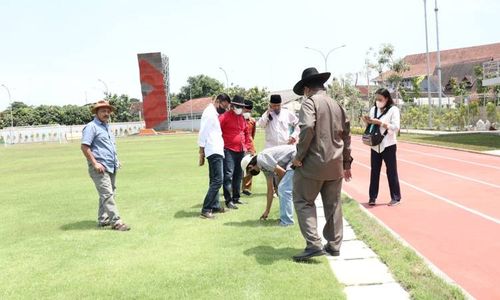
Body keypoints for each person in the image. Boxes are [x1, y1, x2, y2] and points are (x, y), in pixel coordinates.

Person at [291, 67, 353, 261]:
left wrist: (299, 156)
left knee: (303, 200)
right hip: (335, 164)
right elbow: (347, 135)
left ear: (307, 88)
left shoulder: (309, 103)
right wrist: (347, 162)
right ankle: (334, 245)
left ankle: (313, 244)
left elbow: (308, 127)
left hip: (312, 163)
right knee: (333, 205)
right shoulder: (337, 105)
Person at [81, 100, 130, 231]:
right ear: (96, 112)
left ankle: (103, 219)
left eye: (108, 111)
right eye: (103, 111)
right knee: (107, 194)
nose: (106, 113)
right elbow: (85, 147)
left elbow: (109, 147)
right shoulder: (91, 127)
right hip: (99, 167)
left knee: (109, 193)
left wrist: (116, 160)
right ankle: (116, 221)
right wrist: (95, 163)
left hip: (111, 165)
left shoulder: (107, 127)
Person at [362, 88, 402, 206]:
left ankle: (396, 197)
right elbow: (370, 126)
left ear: (387, 99)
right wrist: (367, 121)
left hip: (388, 144)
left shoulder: (393, 110)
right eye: (377, 99)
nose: (378, 101)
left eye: (380, 99)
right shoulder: (373, 109)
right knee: (374, 171)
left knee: (391, 171)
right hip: (375, 145)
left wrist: (380, 123)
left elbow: (396, 127)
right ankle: (372, 197)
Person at [241, 145, 296, 226]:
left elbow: (282, 173)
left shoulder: (262, 159)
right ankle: (285, 219)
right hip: (291, 159)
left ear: (250, 166)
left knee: (283, 189)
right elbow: (270, 190)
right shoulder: (263, 166)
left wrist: (279, 187)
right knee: (282, 189)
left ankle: (287, 222)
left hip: (294, 156)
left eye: (249, 172)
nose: (250, 174)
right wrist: (267, 211)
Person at [198, 93, 231, 219]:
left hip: (216, 149)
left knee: (214, 179)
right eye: (224, 106)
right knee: (218, 180)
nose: (225, 109)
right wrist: (201, 151)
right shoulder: (210, 113)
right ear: (218, 101)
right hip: (213, 150)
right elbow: (203, 132)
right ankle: (206, 209)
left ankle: (215, 205)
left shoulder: (213, 113)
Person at [219, 95, 254, 209]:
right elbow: (217, 131)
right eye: (237, 106)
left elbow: (246, 133)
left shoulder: (242, 118)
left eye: (241, 106)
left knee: (239, 174)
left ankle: (236, 198)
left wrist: (248, 147)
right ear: (232, 105)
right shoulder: (224, 117)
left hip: (241, 150)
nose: (239, 108)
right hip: (228, 149)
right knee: (228, 175)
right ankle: (228, 200)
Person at [241, 100, 257, 196]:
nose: (247, 113)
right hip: (239, 146)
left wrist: (250, 145)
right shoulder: (238, 119)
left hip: (249, 146)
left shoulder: (252, 121)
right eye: (246, 110)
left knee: (250, 166)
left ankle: (246, 188)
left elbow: (252, 134)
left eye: (249, 111)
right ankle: (234, 188)